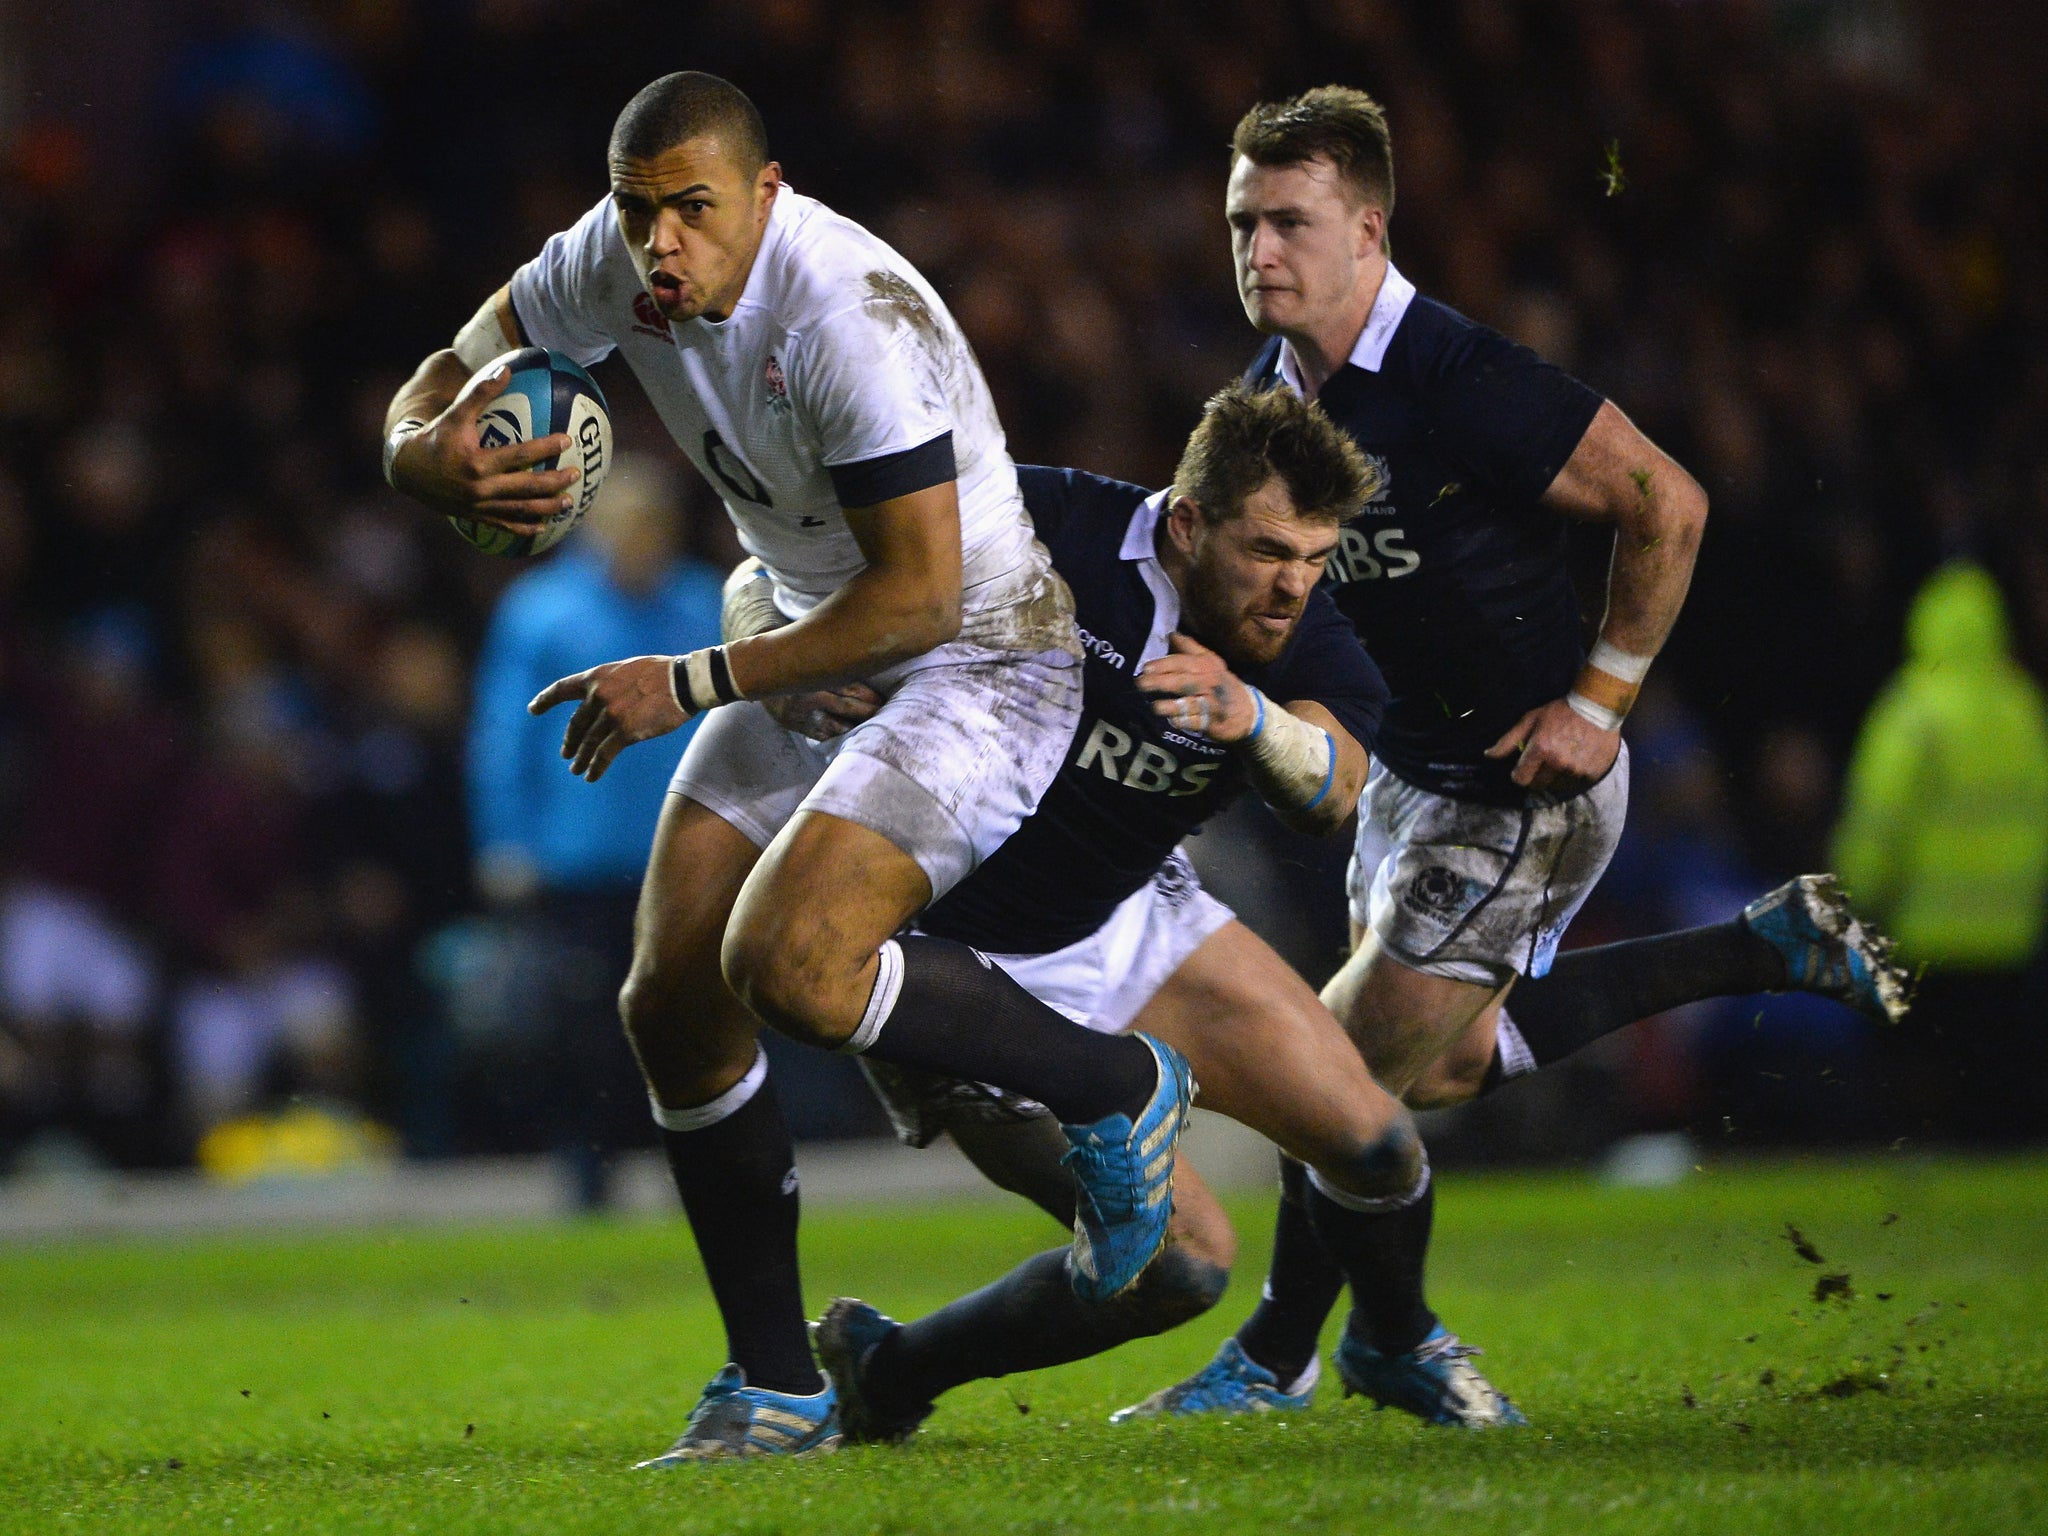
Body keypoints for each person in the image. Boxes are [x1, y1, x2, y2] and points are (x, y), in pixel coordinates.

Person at [382, 72, 1196, 1462]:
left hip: (983, 656)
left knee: (796, 967)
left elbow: (926, 598)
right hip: (816, 630)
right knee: (670, 996)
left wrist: (684, 680)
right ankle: (776, 1385)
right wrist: (420, 459)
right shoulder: (617, 254)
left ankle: (1117, 1087)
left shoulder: (844, 315)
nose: (661, 246)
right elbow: (453, 365)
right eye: (642, 213)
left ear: (766, 195)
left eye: (693, 211)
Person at [1129, 85, 1903, 1423]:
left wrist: (1598, 703)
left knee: (1339, 1075)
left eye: (1291, 222)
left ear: (1369, 232)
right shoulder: (1270, 402)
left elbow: (1667, 501)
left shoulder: (1454, 374)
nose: (1260, 250)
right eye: (1243, 222)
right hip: (1412, 776)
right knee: (1439, 1066)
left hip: (1515, 789)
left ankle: (1293, 1356)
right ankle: (1754, 947)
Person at [761, 384, 1522, 1438]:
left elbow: (1334, 786)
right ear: (1184, 521)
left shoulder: (1295, 637)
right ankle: (896, 1375)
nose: (1290, 587)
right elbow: (774, 573)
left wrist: (1246, 713)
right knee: (1180, 1269)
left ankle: (1392, 1342)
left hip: (1129, 920)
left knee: (1375, 1144)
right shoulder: (1035, 520)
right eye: (1264, 551)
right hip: (955, 964)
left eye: (1313, 556)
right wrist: (775, 667)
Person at [467, 454, 723, 1209]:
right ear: (599, 530)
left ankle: (699, 1160)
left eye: (657, 527)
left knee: (690, 1021)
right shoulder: (542, 613)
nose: (647, 541)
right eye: (633, 527)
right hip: (578, 860)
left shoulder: (702, 601)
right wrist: (504, 840)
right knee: (584, 1025)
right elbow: (501, 736)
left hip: (686, 853)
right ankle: (588, 1167)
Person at [1832, 561, 2048, 1141]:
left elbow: (1879, 821)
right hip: (2011, 937)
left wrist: (1855, 900)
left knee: (1923, 1092)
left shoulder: (1914, 712)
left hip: (1924, 933)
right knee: (1993, 1095)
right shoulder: (2024, 707)